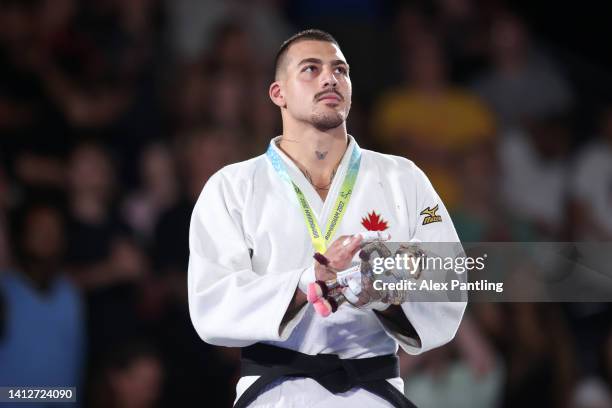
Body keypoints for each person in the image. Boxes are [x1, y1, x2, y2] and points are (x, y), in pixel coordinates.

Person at [188, 29, 466, 407]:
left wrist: (381, 290)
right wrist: (308, 283)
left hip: (373, 394)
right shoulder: (232, 186)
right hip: (275, 395)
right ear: (278, 93)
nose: (329, 78)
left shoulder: (403, 178)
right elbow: (211, 300)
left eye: (340, 70)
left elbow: (449, 277)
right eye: (310, 69)